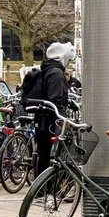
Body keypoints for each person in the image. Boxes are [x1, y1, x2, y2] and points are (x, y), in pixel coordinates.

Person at [29, 42, 73, 175]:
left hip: (42, 118)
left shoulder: (46, 69)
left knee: (43, 153)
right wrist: (64, 119)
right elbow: (56, 99)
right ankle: (47, 187)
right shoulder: (56, 73)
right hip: (51, 121)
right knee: (49, 154)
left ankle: (40, 188)